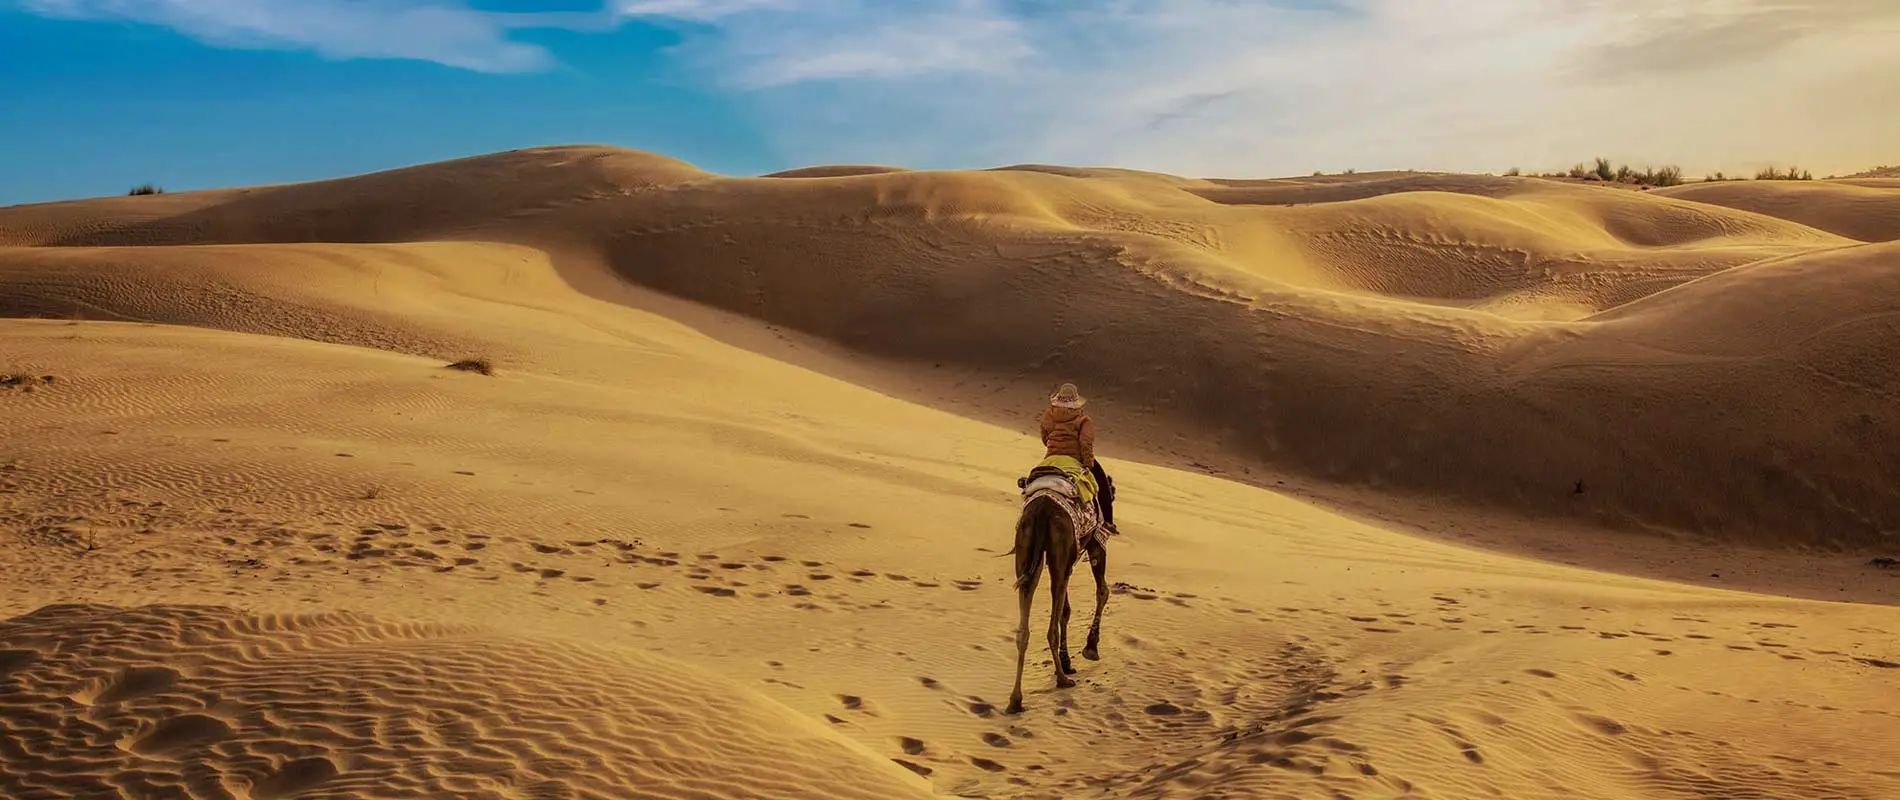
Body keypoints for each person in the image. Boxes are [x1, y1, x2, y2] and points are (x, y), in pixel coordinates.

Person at [1039, 382, 1118, 535]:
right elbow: (1085, 444)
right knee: (1102, 484)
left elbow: (1045, 438)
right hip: (1075, 458)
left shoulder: (1048, 415)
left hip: (1051, 457)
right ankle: (1107, 522)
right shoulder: (1083, 420)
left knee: (1031, 481)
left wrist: (1056, 447)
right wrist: (1088, 463)